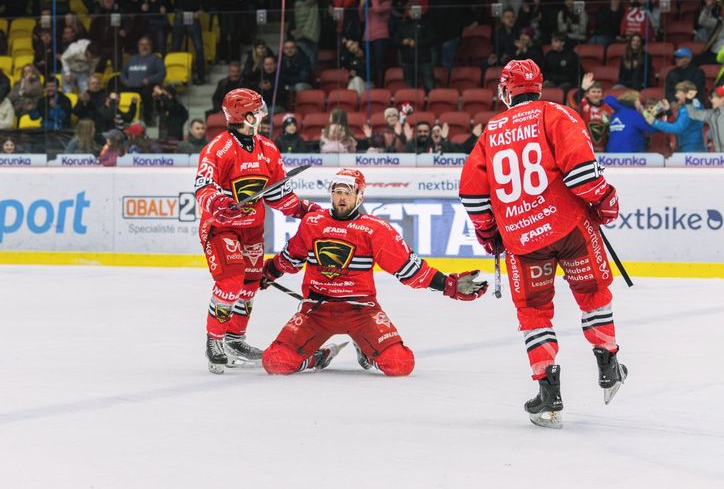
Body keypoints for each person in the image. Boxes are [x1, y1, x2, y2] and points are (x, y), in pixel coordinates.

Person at [459, 59, 627, 428]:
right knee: (594, 292)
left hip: (522, 240)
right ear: (539, 85)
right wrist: (604, 200)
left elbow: (472, 195)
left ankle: (549, 396)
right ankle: (608, 364)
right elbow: (583, 173)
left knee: (534, 313)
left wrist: (490, 234)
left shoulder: (491, 131)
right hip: (571, 228)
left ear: (506, 90)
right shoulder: (557, 114)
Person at [260, 169, 485, 376]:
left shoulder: (375, 229)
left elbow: (410, 269)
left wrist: (448, 285)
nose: (341, 198)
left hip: (361, 311)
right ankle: (320, 356)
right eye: (337, 192)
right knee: (275, 361)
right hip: (317, 311)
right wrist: (267, 273)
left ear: (359, 196)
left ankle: (367, 351)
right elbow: (290, 258)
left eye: (347, 193)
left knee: (400, 364)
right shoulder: (313, 223)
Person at [194, 88, 321, 373]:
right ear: (246, 115)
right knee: (230, 283)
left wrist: (305, 210)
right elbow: (203, 187)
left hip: (251, 231)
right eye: (258, 111)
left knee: (250, 286)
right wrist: (219, 203)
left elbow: (280, 197)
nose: (262, 116)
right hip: (221, 229)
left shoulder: (268, 149)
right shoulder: (219, 149)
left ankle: (235, 339)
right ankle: (214, 339)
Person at [646, 81, 707, 153]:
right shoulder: (693, 106)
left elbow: (678, 128)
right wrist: (669, 112)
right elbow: (682, 123)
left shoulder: (688, 109)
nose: (675, 95)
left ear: (686, 94)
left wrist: (654, 122)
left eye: (678, 92)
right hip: (692, 148)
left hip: (690, 151)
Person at [686, 85, 724, 152]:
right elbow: (693, 114)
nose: (712, 100)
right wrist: (688, 100)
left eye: (714, 98)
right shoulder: (710, 115)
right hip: (720, 157)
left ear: (722, 99)